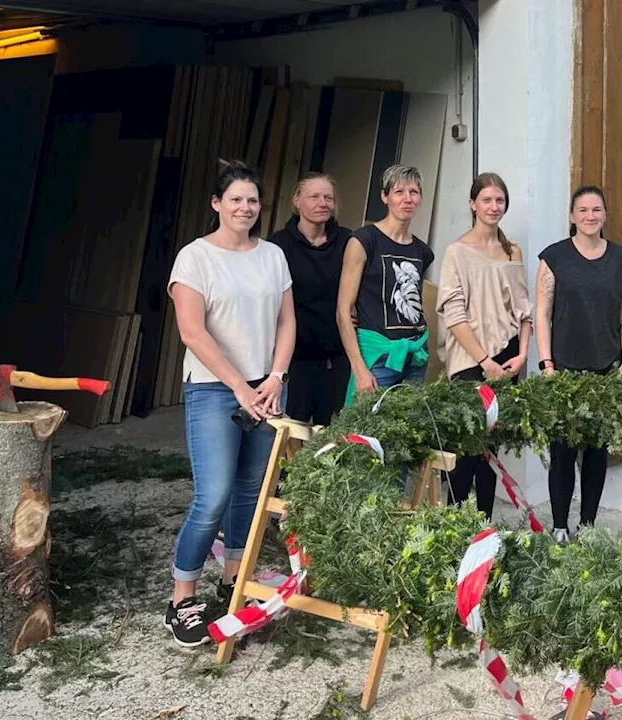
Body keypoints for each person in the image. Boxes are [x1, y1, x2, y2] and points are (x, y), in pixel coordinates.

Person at [165, 160, 295, 648]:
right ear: (217, 204)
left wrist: (276, 376)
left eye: (253, 200)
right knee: (213, 495)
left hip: (267, 388)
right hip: (215, 389)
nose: (246, 207)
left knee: (252, 495)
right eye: (236, 199)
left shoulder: (272, 256)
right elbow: (192, 331)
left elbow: (287, 322)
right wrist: (240, 385)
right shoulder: (194, 258)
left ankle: (234, 585)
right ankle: (181, 599)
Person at [535, 185, 622, 543]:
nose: (590, 216)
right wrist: (547, 363)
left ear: (605, 215)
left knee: (597, 453)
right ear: (572, 216)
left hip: (605, 370)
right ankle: (560, 525)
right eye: (583, 210)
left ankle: (589, 526)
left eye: (596, 210)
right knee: (562, 451)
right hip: (563, 369)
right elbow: (542, 314)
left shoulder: (620, 260)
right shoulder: (555, 258)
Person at [437, 172, 533, 519]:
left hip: (508, 358)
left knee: (491, 451)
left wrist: (522, 353)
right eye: (487, 200)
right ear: (472, 204)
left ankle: (484, 526)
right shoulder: (457, 252)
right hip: (470, 359)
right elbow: (454, 313)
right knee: (466, 449)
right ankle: (456, 527)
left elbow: (524, 308)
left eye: (500, 201)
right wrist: (483, 360)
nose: (494, 207)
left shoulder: (512, 251)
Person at [337, 165, 436, 404]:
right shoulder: (364, 240)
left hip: (413, 355)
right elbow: (343, 310)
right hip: (378, 354)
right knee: (365, 430)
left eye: (413, 192)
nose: (407, 199)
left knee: (406, 431)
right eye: (399, 192)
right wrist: (359, 367)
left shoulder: (422, 251)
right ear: (385, 197)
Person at [268, 173, 353, 425]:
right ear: (297, 201)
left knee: (334, 435)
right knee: (292, 434)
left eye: (328, 197)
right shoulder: (278, 246)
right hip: (295, 358)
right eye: (314, 196)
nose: (322, 203)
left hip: (338, 356)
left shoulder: (348, 242)